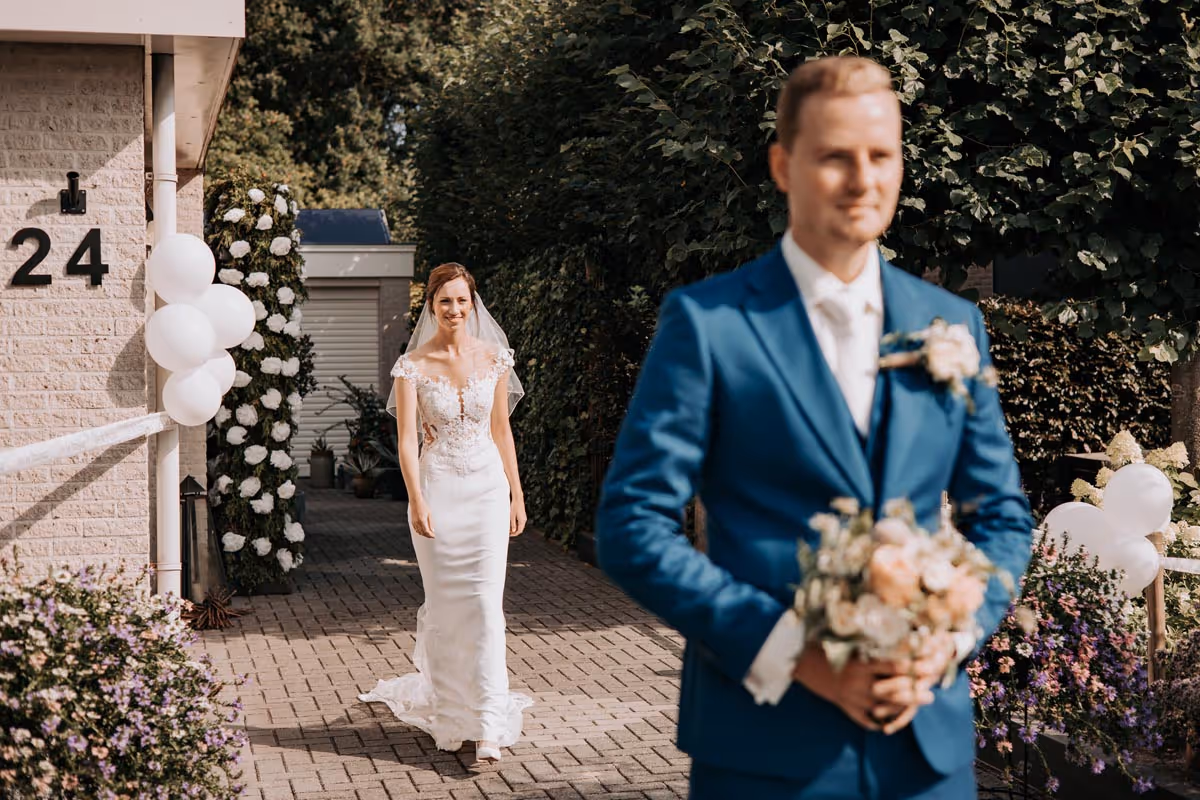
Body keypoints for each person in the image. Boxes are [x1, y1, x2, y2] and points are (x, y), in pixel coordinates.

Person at [595, 56, 1033, 799]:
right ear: (782, 166)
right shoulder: (708, 325)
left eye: (881, 155)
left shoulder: (952, 322)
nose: (863, 180)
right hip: (765, 748)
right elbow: (630, 525)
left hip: (925, 752)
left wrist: (949, 640)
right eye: (836, 157)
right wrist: (797, 653)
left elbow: (1003, 517)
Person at [359, 262, 532, 764]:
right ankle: (453, 714)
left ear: (472, 304)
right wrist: (416, 499)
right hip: (437, 491)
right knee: (446, 607)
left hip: (487, 491)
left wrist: (517, 495)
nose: (454, 309)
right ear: (431, 306)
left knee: (485, 607)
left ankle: (488, 725)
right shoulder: (411, 366)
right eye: (445, 301)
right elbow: (406, 441)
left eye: (462, 301)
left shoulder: (495, 358)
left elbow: (501, 429)